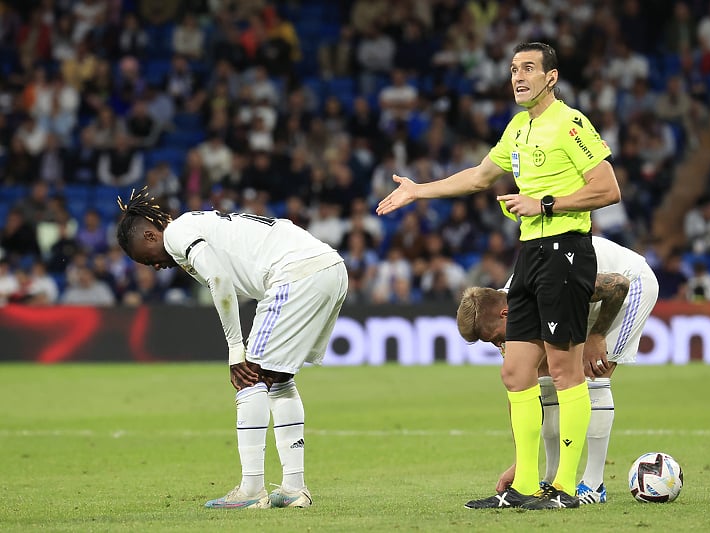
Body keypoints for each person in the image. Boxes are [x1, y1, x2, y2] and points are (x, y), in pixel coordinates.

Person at [377, 42, 621, 509]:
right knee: (515, 371)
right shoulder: (519, 127)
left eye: (528, 68)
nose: (518, 76)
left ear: (551, 77)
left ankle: (567, 488)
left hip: (566, 249)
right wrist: (418, 191)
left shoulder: (570, 124)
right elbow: (477, 177)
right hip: (530, 254)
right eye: (513, 69)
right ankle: (526, 484)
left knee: (567, 371)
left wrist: (545, 203)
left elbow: (608, 188)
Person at [115, 187, 348, 509]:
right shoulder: (197, 226)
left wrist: (236, 350)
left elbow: (221, 281)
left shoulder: (178, 233)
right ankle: (294, 488)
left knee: (249, 378)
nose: (153, 266)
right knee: (278, 380)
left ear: (151, 235)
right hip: (330, 268)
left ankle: (252, 490)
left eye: (144, 257)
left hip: (296, 274)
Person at [456, 236, 660, 506]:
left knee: (594, 372)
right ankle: (550, 481)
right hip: (583, 300)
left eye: (494, 338)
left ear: (505, 314)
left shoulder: (548, 284)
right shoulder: (512, 308)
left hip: (629, 285)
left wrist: (597, 335)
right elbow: (520, 388)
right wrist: (521, 462)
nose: (497, 345)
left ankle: (593, 483)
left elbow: (618, 285)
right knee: (542, 374)